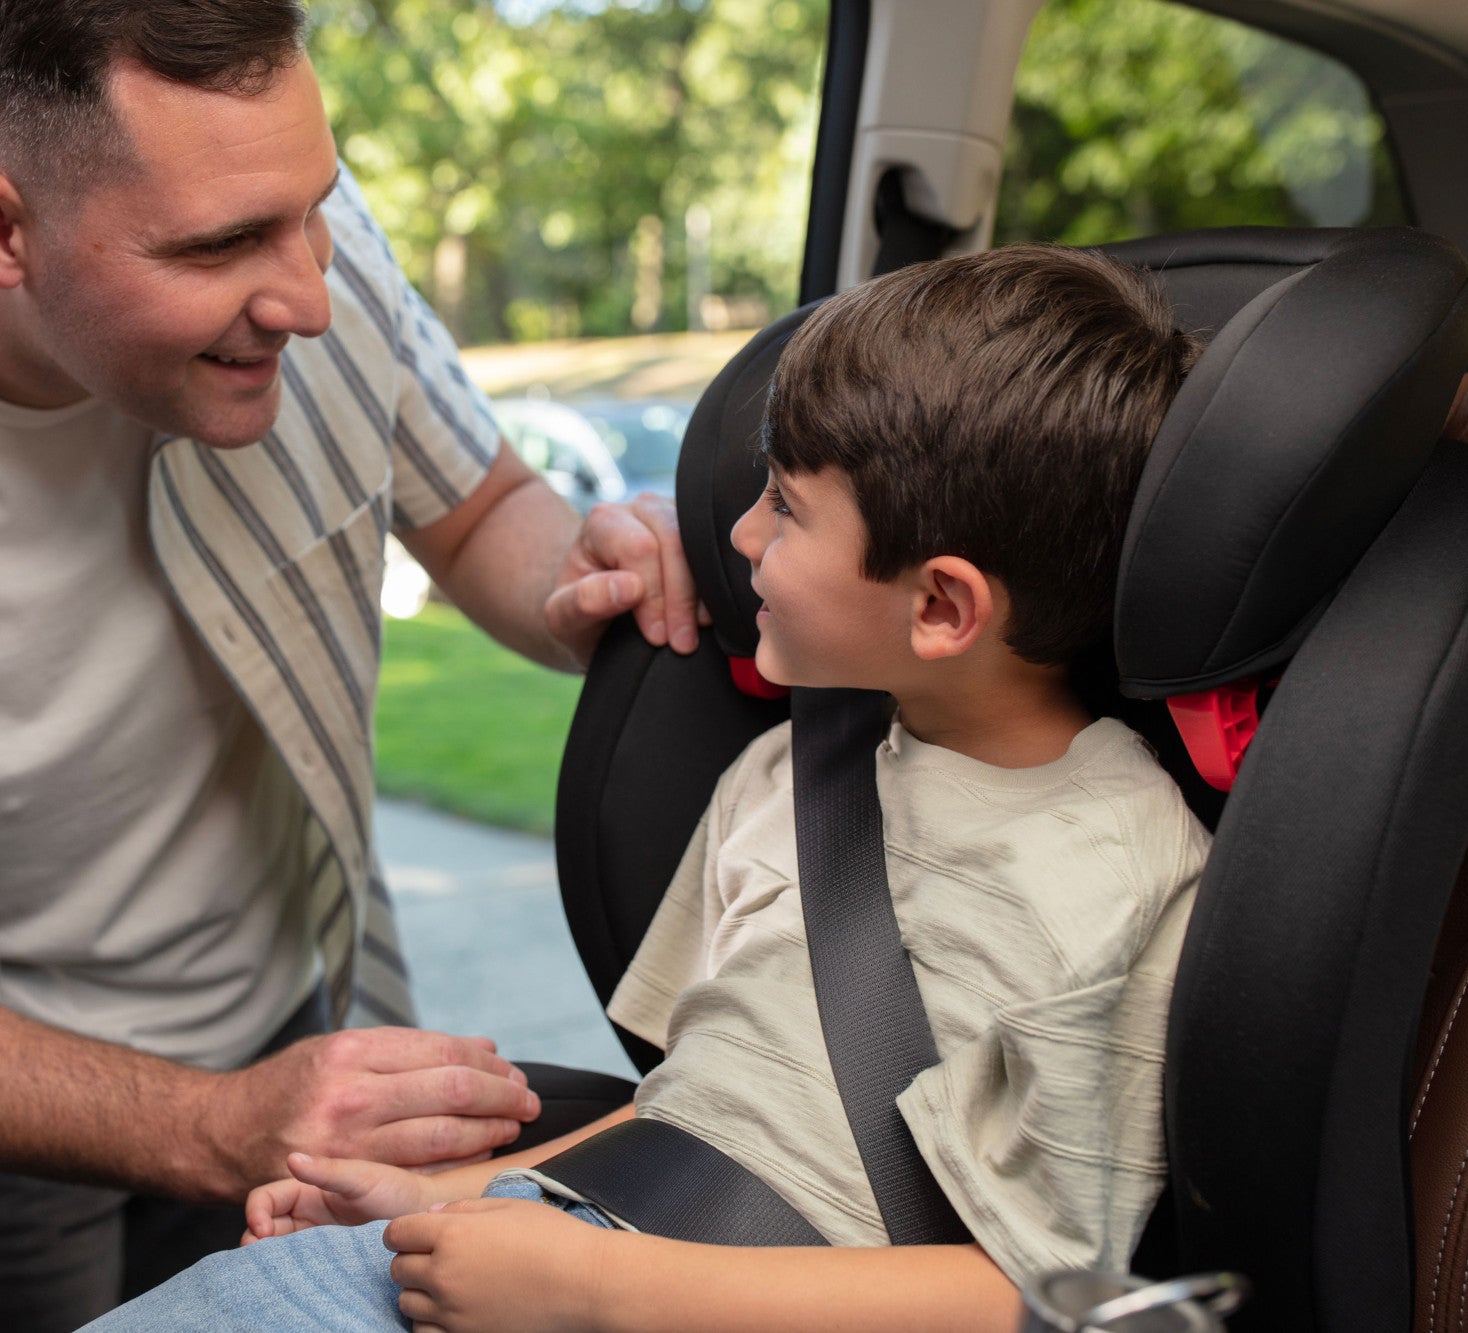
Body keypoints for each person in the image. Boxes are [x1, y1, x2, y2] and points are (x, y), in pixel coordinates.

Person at [0, 3, 703, 1328]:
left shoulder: (293, 242)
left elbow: (482, 510)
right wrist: (215, 1126)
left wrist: (594, 572)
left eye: (315, 205)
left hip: (306, 1039)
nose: (312, 294)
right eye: (221, 245)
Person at [86, 243, 1216, 1333]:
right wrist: (439, 1201)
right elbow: (692, 1116)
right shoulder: (789, 778)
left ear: (938, 607)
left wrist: (594, 1289)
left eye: (784, 507)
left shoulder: (1118, 867)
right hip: (558, 1243)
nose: (734, 534)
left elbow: (1043, 1298)